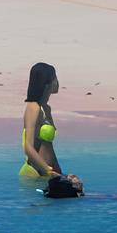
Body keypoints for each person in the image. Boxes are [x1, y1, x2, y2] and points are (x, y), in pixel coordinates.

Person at [21, 61, 81, 194]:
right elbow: (28, 147)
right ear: (47, 82)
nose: (57, 82)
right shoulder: (33, 107)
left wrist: (59, 173)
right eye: (55, 77)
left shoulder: (46, 109)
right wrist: (48, 171)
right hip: (37, 174)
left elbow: (49, 147)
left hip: (49, 173)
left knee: (78, 192)